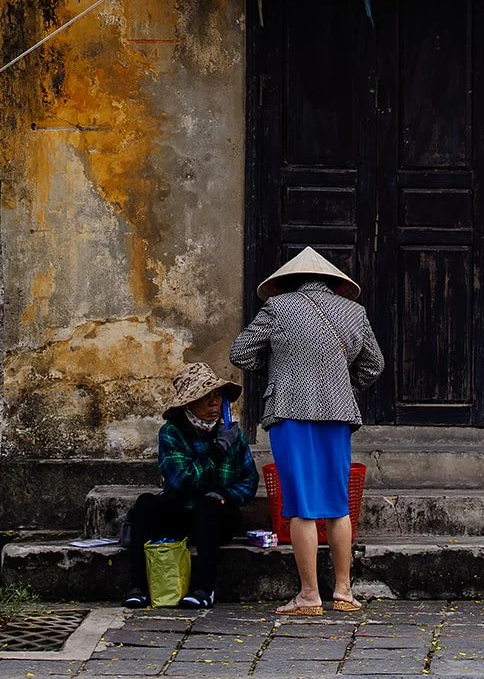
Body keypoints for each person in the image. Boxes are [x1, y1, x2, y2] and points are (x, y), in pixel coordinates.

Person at [230, 246, 384, 617]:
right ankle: (344, 591)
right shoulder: (354, 311)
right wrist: (343, 384)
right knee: (337, 504)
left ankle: (309, 595)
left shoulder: (277, 308)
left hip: (290, 411)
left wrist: (279, 370)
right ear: (332, 283)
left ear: (289, 281)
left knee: (300, 506)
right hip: (337, 411)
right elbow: (374, 364)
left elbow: (241, 352)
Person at [123, 362, 259, 610]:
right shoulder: (172, 433)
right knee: (145, 504)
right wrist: (218, 451)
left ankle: (204, 590)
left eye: (217, 396)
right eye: (204, 398)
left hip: (216, 515)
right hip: (183, 511)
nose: (214, 404)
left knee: (209, 506)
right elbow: (181, 482)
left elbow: (250, 480)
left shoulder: (232, 434)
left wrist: (224, 495)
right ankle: (138, 587)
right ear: (188, 404)